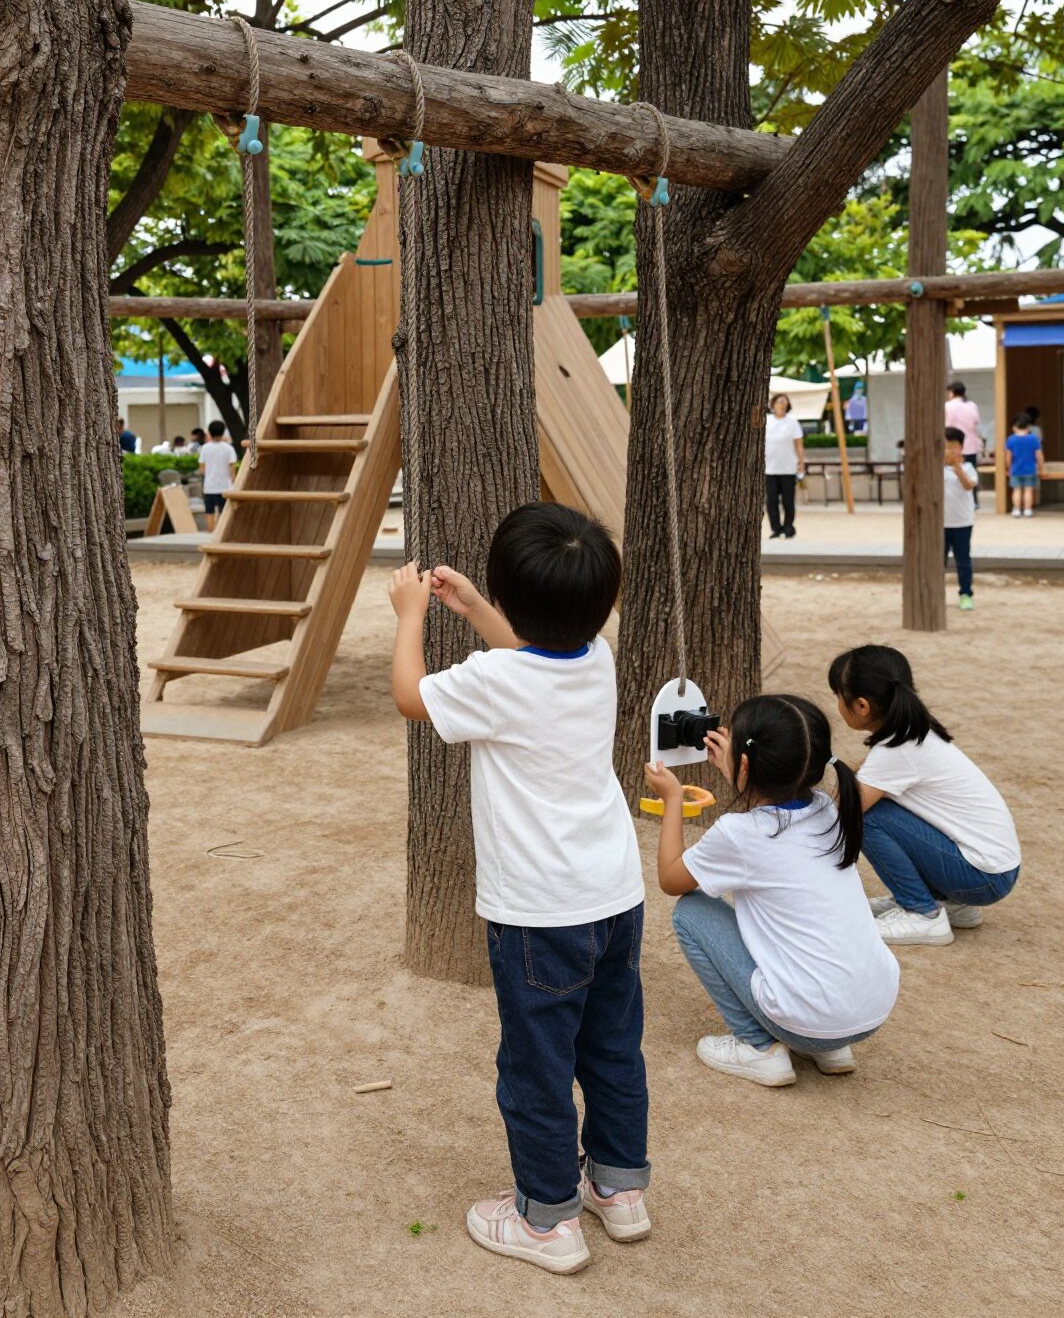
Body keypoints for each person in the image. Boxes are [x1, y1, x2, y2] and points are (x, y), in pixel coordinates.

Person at [388, 504, 649, 1275]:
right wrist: (475, 609)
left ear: (512, 594)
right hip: (614, 896)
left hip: (540, 913)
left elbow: (412, 695)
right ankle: (620, 1188)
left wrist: (411, 617)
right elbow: (534, 653)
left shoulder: (493, 680)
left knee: (536, 1067)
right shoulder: (596, 656)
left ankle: (546, 1219)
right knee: (610, 1050)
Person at [649, 695, 898, 1089]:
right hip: (870, 1010)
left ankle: (759, 1047)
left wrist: (674, 799)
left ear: (745, 764)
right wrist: (741, 765)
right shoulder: (827, 809)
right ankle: (828, 1048)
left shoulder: (741, 833)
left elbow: (671, 879)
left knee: (690, 912)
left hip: (812, 1019)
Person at [828, 645, 1020, 947]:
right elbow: (866, 777)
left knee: (865, 815)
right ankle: (948, 902)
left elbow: (844, 812)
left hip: (983, 876)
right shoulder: (913, 729)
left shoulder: (895, 750)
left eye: (838, 696)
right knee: (878, 804)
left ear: (862, 706)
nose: (837, 704)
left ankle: (922, 912)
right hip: (994, 869)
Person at [943, 426, 976, 611]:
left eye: (952, 446)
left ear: (961, 448)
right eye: (945, 446)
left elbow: (968, 486)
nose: (948, 451)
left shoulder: (968, 467)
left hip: (962, 522)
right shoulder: (934, 469)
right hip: (940, 523)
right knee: (938, 561)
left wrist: (957, 468)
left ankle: (965, 593)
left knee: (963, 560)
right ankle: (937, 594)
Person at [763, 393, 805, 540]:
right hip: (769, 468)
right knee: (771, 501)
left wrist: (801, 462)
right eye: (779, 401)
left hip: (788, 468)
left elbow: (798, 444)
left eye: (784, 402)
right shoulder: (767, 421)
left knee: (788, 501)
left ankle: (788, 527)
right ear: (773, 404)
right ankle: (776, 528)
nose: (782, 404)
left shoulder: (792, 422)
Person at [944, 380, 983, 508]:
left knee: (950, 474)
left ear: (951, 392)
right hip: (970, 444)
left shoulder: (947, 406)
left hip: (952, 445)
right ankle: (974, 501)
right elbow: (976, 422)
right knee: (971, 473)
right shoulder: (972, 406)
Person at [197, 419, 237, 529]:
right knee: (224, 512)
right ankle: (221, 535)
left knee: (209, 512)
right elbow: (232, 469)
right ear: (223, 432)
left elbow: (202, 468)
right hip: (225, 486)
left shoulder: (205, 448)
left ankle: (211, 534)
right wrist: (234, 483)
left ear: (209, 432)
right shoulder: (229, 448)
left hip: (209, 486)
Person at [1004, 412, 1042, 517]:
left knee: (1016, 489)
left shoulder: (1011, 439)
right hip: (1030, 469)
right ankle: (1027, 510)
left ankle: (1016, 509)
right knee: (1028, 489)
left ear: (1015, 427)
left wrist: (1009, 468)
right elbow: (1038, 455)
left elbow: (1008, 456)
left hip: (1015, 469)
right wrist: (1040, 467)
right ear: (1028, 427)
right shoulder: (1034, 439)